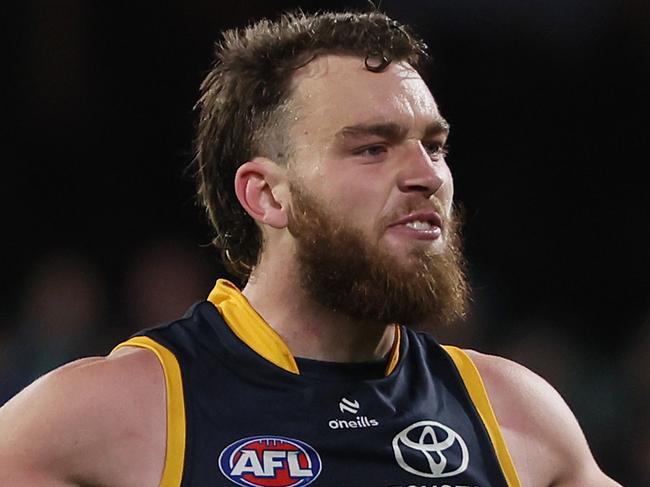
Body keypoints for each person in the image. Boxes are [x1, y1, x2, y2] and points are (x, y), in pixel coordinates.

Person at [0, 10, 620, 487]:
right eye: (372, 148)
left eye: (434, 145)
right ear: (267, 196)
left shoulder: (515, 416)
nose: (427, 175)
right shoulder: (115, 413)